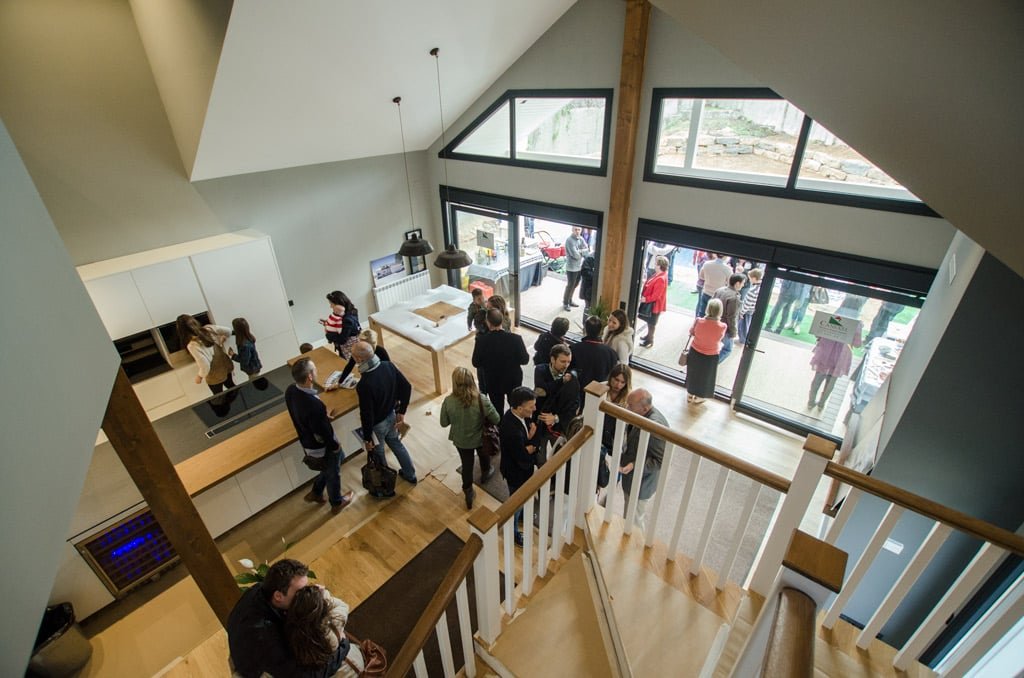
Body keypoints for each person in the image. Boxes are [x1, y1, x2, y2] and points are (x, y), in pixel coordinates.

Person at [227, 558, 349, 678]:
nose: (307, 593)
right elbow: (308, 676)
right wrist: (343, 646)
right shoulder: (266, 636)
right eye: (300, 592)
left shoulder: (260, 589)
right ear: (278, 596)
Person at [285, 357, 355, 514]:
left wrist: (321, 417)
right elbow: (322, 432)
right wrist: (334, 446)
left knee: (330, 467)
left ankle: (316, 492)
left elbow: (303, 416)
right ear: (310, 376)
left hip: (306, 441)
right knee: (333, 471)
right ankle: (336, 502)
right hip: (321, 446)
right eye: (314, 369)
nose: (317, 371)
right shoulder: (313, 406)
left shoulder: (291, 391)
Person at [352, 341, 417, 484]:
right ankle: (410, 474)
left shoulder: (364, 384)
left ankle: (385, 483)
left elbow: (367, 414)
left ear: (360, 360)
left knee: (379, 452)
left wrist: (367, 438)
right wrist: (402, 411)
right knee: (396, 444)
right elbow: (407, 386)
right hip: (391, 415)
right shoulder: (389, 366)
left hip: (377, 425)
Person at [440, 367, 500, 509]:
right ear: (472, 381)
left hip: (461, 440)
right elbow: (496, 419)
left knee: (467, 465)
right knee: (483, 454)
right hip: (480, 438)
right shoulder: (481, 399)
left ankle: (468, 492)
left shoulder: (448, 401)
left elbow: (443, 423)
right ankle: (486, 471)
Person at [284, 585, 365, 677]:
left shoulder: (299, 637)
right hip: (354, 661)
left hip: (337, 672)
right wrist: (324, 594)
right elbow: (343, 606)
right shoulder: (334, 621)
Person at [618, 389, 668, 529]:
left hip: (641, 483)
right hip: (632, 479)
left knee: (633, 522)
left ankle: (633, 548)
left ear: (645, 408)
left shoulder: (654, 427)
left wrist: (635, 465)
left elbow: (660, 460)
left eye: (631, 405)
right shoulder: (641, 415)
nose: (627, 408)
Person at [500, 387, 541, 547]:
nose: (535, 409)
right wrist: (532, 447)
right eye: (531, 406)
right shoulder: (511, 429)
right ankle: (513, 531)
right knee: (515, 503)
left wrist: (528, 441)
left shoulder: (515, 416)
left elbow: (525, 446)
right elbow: (522, 456)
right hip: (516, 473)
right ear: (519, 408)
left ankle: (521, 514)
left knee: (520, 501)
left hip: (519, 467)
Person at [472, 308, 529, 415]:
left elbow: (475, 363)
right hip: (513, 380)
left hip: (493, 381)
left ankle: (499, 428)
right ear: (502, 320)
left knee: (497, 409)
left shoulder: (481, 341)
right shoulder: (516, 339)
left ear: (488, 322)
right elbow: (525, 360)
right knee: (516, 406)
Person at [597, 364, 632, 502]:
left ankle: (607, 499)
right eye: (616, 380)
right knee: (598, 469)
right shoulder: (600, 388)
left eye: (622, 382)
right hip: (599, 435)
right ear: (611, 377)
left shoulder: (628, 398)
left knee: (615, 472)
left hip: (617, 439)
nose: (618, 384)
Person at [533, 343, 580, 444]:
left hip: (559, 427)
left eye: (569, 362)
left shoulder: (572, 377)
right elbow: (542, 391)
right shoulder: (540, 370)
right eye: (563, 361)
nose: (566, 365)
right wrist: (561, 381)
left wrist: (556, 418)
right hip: (540, 421)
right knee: (539, 456)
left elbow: (575, 405)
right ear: (552, 359)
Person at [177, 314, 235, 394]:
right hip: (225, 365)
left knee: (218, 398)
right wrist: (220, 341)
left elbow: (205, 365)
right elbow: (228, 331)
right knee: (232, 387)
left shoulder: (192, 345)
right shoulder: (209, 328)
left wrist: (199, 377)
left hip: (214, 374)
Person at [686, 299, 728, 404]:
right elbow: (720, 338)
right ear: (720, 311)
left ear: (707, 308)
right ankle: (700, 396)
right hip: (711, 355)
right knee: (706, 376)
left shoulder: (698, 321)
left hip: (695, 351)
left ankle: (690, 394)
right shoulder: (722, 326)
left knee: (692, 373)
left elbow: (691, 332)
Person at [571, 315, 619, 396]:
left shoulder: (574, 349)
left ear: (585, 329)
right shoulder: (611, 353)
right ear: (600, 331)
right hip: (599, 394)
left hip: (577, 393)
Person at [712, 273, 746, 363]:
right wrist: (733, 332)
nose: (743, 285)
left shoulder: (719, 290)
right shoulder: (734, 297)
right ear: (737, 283)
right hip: (724, 327)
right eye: (743, 283)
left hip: (713, 323)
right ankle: (711, 365)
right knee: (727, 349)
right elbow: (731, 317)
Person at [638, 255, 670, 348]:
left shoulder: (661, 278)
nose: (654, 265)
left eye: (656, 263)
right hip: (653, 304)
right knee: (649, 322)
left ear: (660, 265)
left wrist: (646, 299)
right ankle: (648, 336)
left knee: (652, 323)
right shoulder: (659, 274)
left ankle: (650, 340)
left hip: (654, 305)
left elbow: (656, 295)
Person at [321, 291, 361, 359]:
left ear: (339, 304)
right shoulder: (352, 311)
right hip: (356, 343)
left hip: (349, 349)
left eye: (331, 304)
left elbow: (342, 340)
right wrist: (330, 324)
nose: (330, 306)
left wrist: (328, 333)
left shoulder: (347, 320)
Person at [562, 226, 590, 311]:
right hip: (571, 268)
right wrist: (582, 251)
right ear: (572, 230)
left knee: (576, 284)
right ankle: (565, 302)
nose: (577, 231)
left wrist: (580, 251)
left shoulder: (581, 238)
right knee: (570, 285)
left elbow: (587, 251)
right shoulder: (569, 240)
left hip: (579, 267)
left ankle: (570, 300)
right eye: (576, 229)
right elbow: (575, 255)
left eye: (579, 230)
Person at [696, 254, 732, 319]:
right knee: (715, 317)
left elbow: (701, 276)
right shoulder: (727, 269)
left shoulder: (707, 264)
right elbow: (730, 283)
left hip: (706, 292)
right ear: (725, 256)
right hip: (718, 296)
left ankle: (699, 327)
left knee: (701, 314)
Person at [737, 268, 763, 344]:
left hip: (747, 310)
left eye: (750, 278)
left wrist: (741, 312)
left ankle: (743, 340)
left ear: (754, 278)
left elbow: (747, 303)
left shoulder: (752, 290)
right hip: (752, 309)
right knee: (747, 325)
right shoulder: (760, 287)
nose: (750, 280)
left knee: (743, 326)